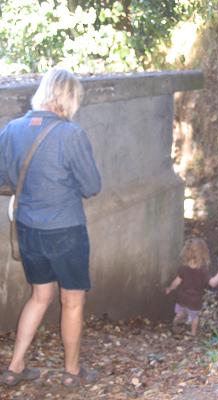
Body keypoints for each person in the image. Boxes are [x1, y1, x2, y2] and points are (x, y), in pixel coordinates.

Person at [0, 68, 101, 387]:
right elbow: (92, 185)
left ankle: (14, 368)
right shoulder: (71, 134)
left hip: (29, 230)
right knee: (72, 301)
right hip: (65, 231)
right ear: (70, 98)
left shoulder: (11, 129)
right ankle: (71, 373)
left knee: (39, 296)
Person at [165, 238, 218, 336]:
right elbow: (213, 283)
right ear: (203, 253)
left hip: (182, 298)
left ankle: (177, 324)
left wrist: (170, 288)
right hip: (194, 301)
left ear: (187, 252)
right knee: (195, 317)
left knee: (179, 313)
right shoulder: (202, 271)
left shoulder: (183, 269)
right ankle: (192, 334)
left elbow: (176, 282)